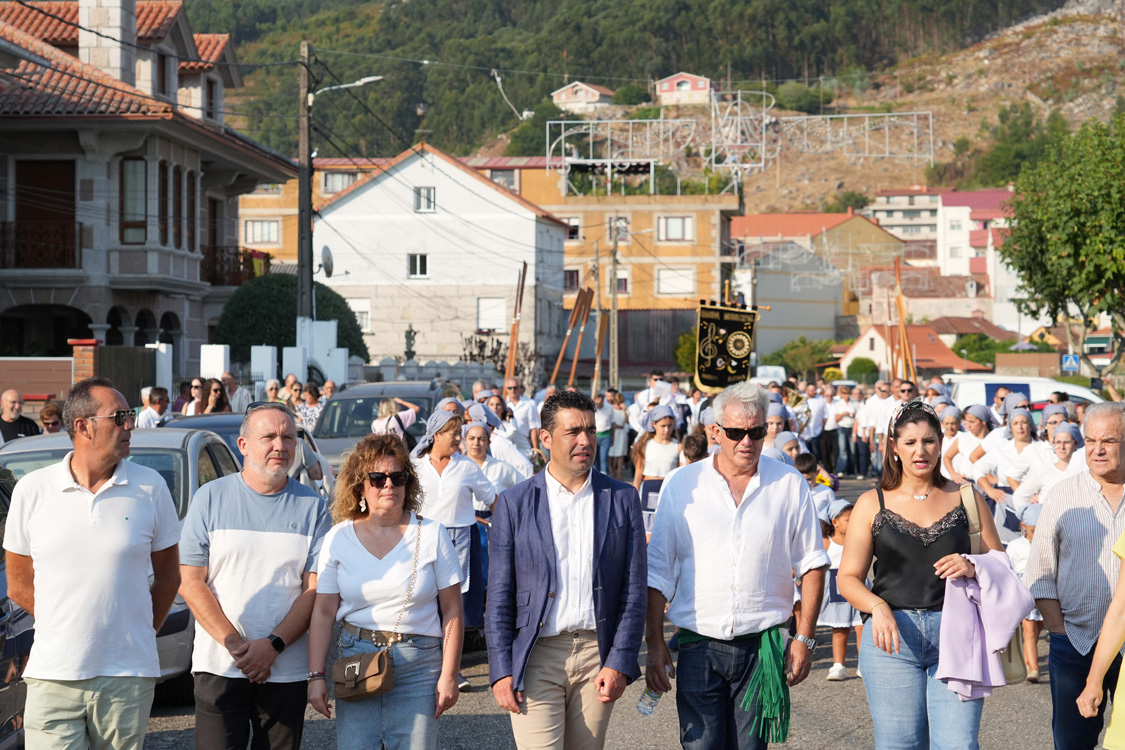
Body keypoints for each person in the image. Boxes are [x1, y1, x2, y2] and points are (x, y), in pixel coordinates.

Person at [646, 382, 827, 749]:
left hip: (762, 647)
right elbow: (658, 570)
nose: (747, 441)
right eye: (735, 432)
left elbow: (812, 563)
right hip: (698, 644)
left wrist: (804, 638)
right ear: (714, 431)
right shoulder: (682, 484)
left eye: (756, 432)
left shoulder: (789, 483)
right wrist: (653, 643)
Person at [4, 377, 180, 749]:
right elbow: (19, 585)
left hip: (127, 677)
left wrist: (135, 631)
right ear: (83, 426)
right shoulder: (32, 490)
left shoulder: (151, 487)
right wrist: (69, 621)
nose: (130, 424)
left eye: (131, 415)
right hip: (53, 675)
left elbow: (169, 578)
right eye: (120, 417)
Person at [837, 399, 1003, 750]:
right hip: (891, 640)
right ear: (894, 447)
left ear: (941, 443)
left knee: (958, 744)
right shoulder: (872, 502)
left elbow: (1001, 563)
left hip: (958, 634)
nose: (920, 451)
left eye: (928, 440)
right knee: (900, 744)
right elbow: (848, 577)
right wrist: (877, 607)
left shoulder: (966, 497)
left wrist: (973, 566)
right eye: (910, 442)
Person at [487, 390, 646, 750]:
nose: (585, 440)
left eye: (590, 430)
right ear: (545, 438)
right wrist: (500, 670)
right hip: (536, 655)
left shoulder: (621, 498)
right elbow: (499, 595)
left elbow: (633, 589)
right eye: (573, 431)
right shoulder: (515, 504)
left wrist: (619, 661)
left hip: (596, 656)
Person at [179, 402, 331, 750]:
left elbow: (315, 590)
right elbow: (191, 582)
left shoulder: (314, 508)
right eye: (269, 437)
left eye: (288, 437)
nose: (280, 445)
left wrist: (273, 645)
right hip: (219, 665)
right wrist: (238, 647)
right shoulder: (209, 499)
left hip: (287, 669)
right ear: (243, 445)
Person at [308, 434, 463, 749]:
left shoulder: (432, 534)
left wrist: (449, 674)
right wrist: (316, 676)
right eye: (377, 478)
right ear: (360, 486)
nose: (388, 484)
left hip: (419, 665)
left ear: (408, 483)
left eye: (397, 476)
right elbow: (323, 611)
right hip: (356, 661)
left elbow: (453, 611)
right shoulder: (338, 538)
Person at [1027, 402, 1125, 750]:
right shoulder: (1064, 496)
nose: (1098, 450)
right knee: (1072, 743)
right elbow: (1039, 570)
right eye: (1091, 440)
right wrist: (1058, 630)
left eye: (1109, 441)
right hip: (1076, 641)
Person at [411, 411, 495, 689]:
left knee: (452, 608)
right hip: (423, 539)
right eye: (454, 434)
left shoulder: (467, 466)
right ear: (436, 435)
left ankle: (452, 670)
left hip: (461, 540)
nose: (459, 439)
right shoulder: (415, 465)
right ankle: (426, 668)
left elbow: (493, 500)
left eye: (460, 433)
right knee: (424, 603)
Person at [818, 498, 862, 682]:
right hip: (837, 587)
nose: (853, 524)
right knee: (840, 627)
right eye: (848, 520)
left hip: (859, 584)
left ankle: (863, 665)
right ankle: (838, 665)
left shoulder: (859, 538)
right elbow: (816, 562)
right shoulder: (827, 541)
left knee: (862, 626)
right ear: (834, 522)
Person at [1005, 503, 1044, 682]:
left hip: (1045, 589)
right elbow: (1008, 570)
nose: (1037, 534)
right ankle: (1033, 669)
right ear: (1024, 527)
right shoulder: (1015, 546)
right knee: (1028, 629)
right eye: (1034, 530)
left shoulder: (1048, 543)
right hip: (1024, 589)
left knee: (1037, 628)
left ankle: (1029, 659)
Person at [631, 404, 681, 493]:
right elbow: (639, 471)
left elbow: (681, 472)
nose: (667, 430)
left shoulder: (678, 446)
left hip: (670, 488)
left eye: (670, 426)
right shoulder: (644, 445)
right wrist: (634, 492)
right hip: (649, 488)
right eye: (663, 426)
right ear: (654, 424)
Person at [504, 377, 542, 457]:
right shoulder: (502, 404)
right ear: (506, 389)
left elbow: (534, 428)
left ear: (520, 388)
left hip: (524, 444)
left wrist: (535, 450)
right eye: (510, 388)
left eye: (515, 388)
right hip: (506, 444)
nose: (512, 390)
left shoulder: (529, 404)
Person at [833, 385, 856, 477]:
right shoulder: (838, 404)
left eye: (848, 393)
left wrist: (852, 415)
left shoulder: (853, 403)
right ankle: (840, 470)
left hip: (851, 427)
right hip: (842, 428)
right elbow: (836, 419)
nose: (847, 395)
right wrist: (843, 414)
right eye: (844, 394)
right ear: (841, 394)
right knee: (843, 450)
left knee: (852, 450)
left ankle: (850, 471)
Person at [609, 391, 629, 480]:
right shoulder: (611, 409)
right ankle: (612, 472)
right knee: (612, 454)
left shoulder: (625, 410)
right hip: (614, 432)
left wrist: (625, 410)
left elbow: (628, 421)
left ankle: (619, 474)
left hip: (622, 433)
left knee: (621, 454)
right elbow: (610, 422)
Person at [594, 391, 615, 474]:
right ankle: (595, 476)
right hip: (595, 436)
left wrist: (613, 437)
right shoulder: (592, 408)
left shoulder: (609, 408)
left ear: (603, 401)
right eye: (596, 403)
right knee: (595, 459)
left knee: (604, 458)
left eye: (600, 403)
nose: (598, 405)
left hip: (606, 436)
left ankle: (604, 476)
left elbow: (612, 423)